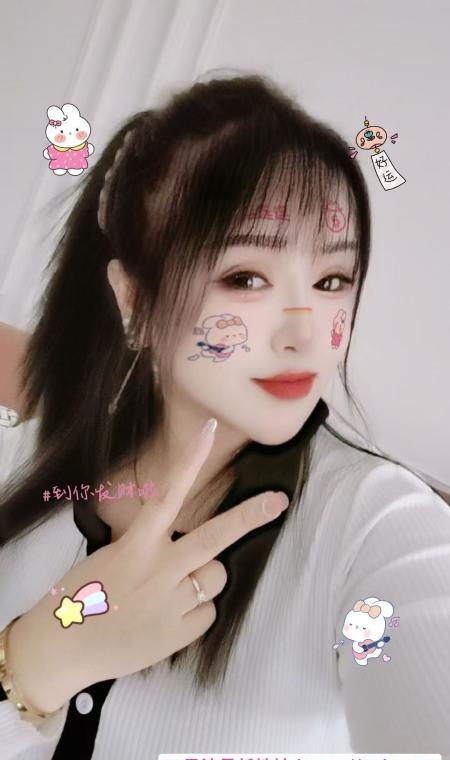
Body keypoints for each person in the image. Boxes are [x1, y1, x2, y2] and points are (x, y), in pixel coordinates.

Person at [0, 74, 449, 760]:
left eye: (332, 280)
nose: (305, 333)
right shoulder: (48, 496)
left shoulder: (379, 526)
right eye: (246, 278)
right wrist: (32, 662)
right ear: (135, 300)